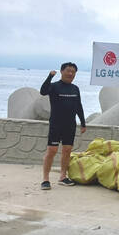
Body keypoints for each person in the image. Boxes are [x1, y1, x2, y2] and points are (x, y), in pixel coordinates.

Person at [39, 62, 86, 190]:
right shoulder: (54, 86)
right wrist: (49, 76)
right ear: (62, 71)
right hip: (56, 124)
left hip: (70, 125)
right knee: (52, 151)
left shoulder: (75, 89)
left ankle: (62, 177)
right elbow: (43, 91)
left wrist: (83, 122)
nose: (70, 73)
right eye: (68, 71)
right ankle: (45, 179)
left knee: (67, 151)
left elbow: (78, 106)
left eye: (73, 72)